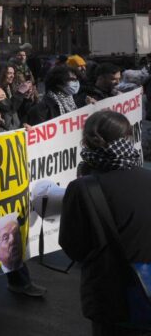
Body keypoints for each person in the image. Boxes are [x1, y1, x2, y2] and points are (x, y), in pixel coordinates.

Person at [60, 110, 151, 335]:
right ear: (127, 138)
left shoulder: (82, 188)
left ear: (86, 142)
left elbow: (73, 246)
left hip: (110, 298)